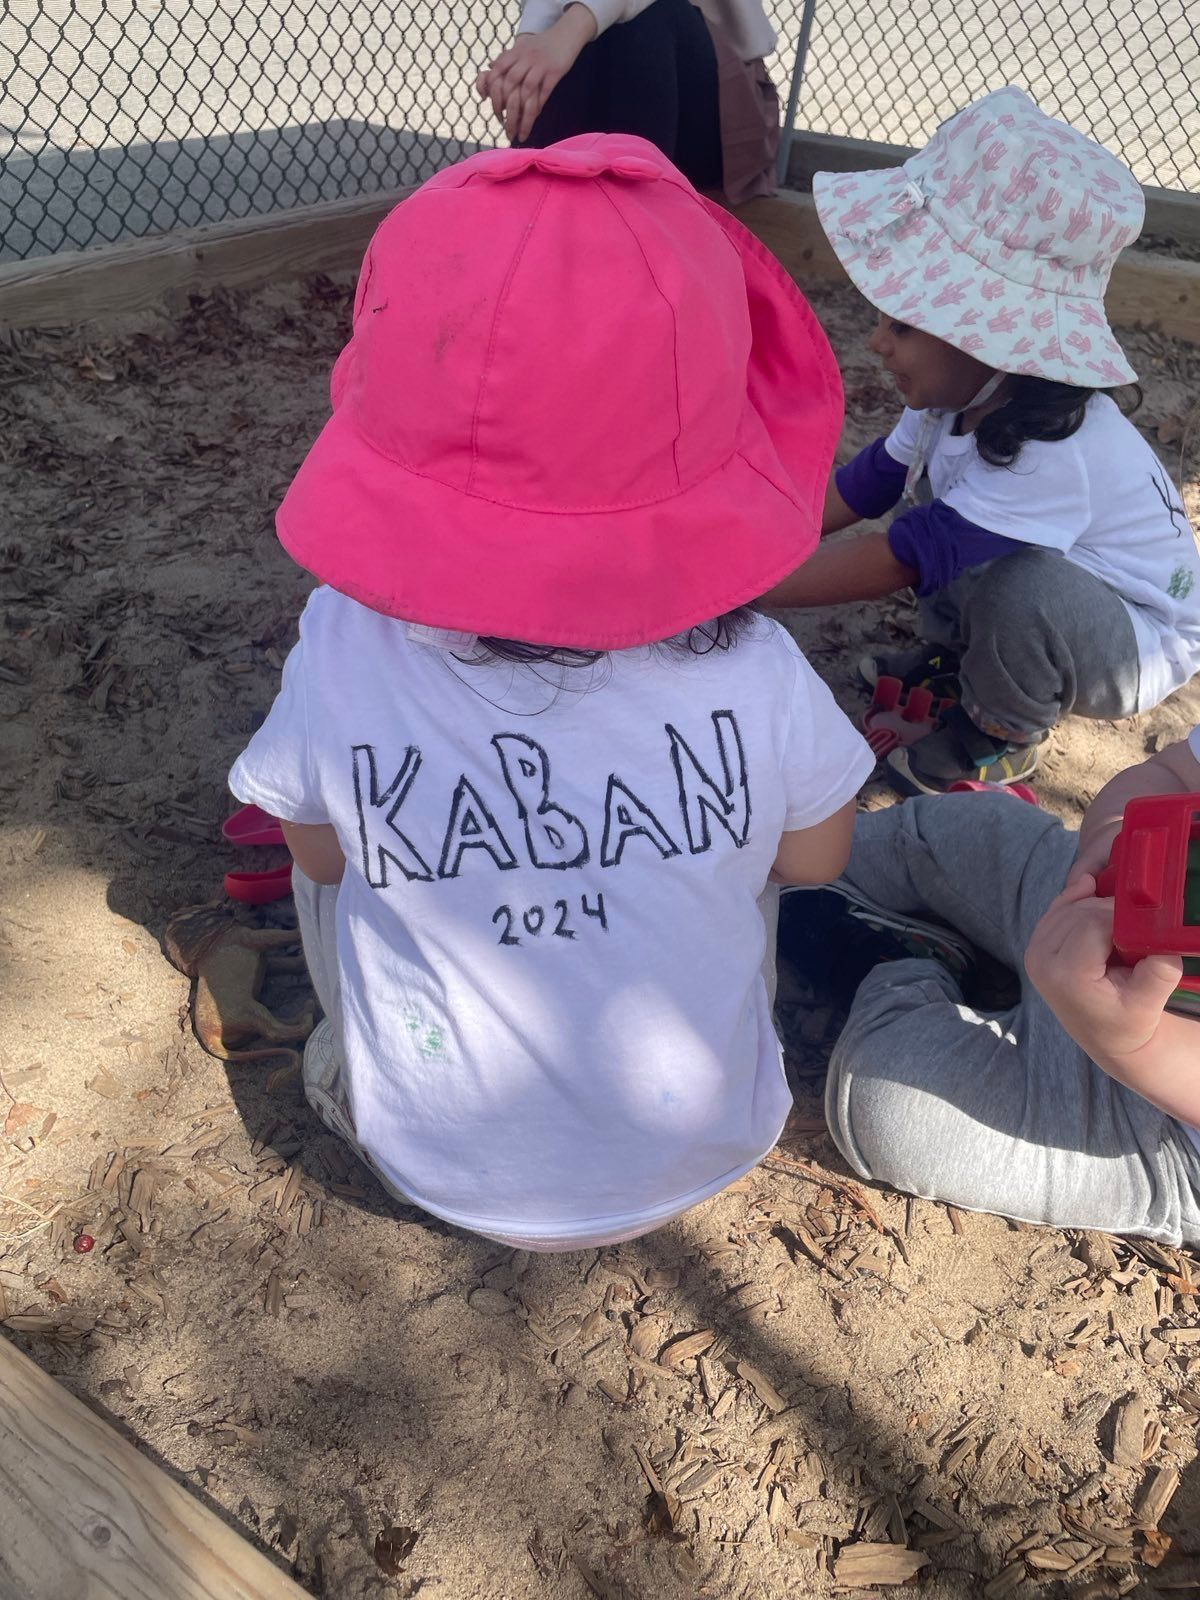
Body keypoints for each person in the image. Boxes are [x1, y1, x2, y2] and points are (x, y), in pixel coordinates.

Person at [228, 135, 874, 1253]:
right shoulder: (756, 665)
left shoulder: (342, 643)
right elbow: (818, 862)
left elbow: (323, 856)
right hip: (708, 1143)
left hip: (435, 1162)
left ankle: (361, 1063)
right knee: (753, 851)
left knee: (324, 849)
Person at [762, 87, 1200, 795]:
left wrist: (758, 587)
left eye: (901, 327)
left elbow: (905, 559)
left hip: (1134, 638)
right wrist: (771, 533)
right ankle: (960, 659)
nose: (876, 342)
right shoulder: (955, 393)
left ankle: (1001, 732)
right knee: (929, 498)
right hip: (1064, 594)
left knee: (1015, 583)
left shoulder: (1054, 448)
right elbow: (873, 479)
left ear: (987, 338)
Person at [777, 728, 1200, 1246]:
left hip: (1155, 1127)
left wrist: (1138, 1047)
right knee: (967, 828)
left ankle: (916, 965)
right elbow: (1172, 772)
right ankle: (798, 876)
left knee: (892, 1110)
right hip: (1102, 909)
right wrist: (1114, 842)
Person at [475, 0, 780, 204]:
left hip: (718, 111)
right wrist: (529, 48)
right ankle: (530, 223)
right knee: (577, 45)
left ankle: (642, 240)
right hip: (603, 72)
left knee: (647, 19)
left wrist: (567, 35)